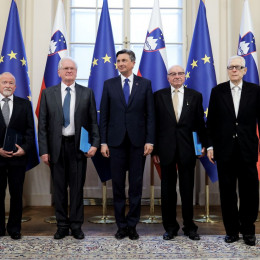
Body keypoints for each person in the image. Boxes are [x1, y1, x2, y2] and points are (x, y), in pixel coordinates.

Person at [38, 57, 100, 240]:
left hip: (78, 148)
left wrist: (95, 144)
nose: (69, 71)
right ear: (59, 72)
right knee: (59, 189)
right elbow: (42, 125)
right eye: (65, 68)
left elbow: (93, 122)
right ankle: (62, 226)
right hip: (56, 148)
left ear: (76, 72)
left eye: (72, 68)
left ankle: (76, 225)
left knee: (77, 189)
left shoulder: (86, 93)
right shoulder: (48, 93)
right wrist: (44, 150)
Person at [100, 49, 155, 240]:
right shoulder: (109, 84)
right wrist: (103, 142)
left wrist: (149, 140)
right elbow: (104, 116)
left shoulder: (145, 84)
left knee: (136, 187)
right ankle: (121, 226)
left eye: (124, 60)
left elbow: (150, 115)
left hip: (138, 143)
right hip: (115, 144)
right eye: (118, 61)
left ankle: (132, 225)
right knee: (117, 186)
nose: (121, 63)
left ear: (133, 63)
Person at [207, 55, 259, 246]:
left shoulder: (255, 91)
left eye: (238, 67)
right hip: (224, 150)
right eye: (231, 67)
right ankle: (231, 231)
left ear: (245, 70)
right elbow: (211, 122)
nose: (234, 70)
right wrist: (211, 146)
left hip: (247, 150)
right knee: (227, 192)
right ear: (228, 70)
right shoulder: (217, 91)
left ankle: (248, 230)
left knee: (249, 192)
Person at [152, 65, 207, 241]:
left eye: (180, 73)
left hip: (188, 150)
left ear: (185, 76)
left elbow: (200, 124)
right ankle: (170, 227)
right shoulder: (158, 96)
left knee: (187, 190)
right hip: (165, 150)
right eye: (173, 74)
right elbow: (154, 125)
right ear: (167, 78)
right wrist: (155, 150)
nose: (177, 76)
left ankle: (190, 227)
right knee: (167, 191)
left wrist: (201, 146)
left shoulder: (195, 96)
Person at [0, 72, 36, 240]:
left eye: (11, 83)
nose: (7, 85)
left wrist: (25, 149)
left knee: (16, 194)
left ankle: (14, 228)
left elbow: (30, 131)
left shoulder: (24, 104)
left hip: (18, 158)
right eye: (4, 82)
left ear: (15, 86)